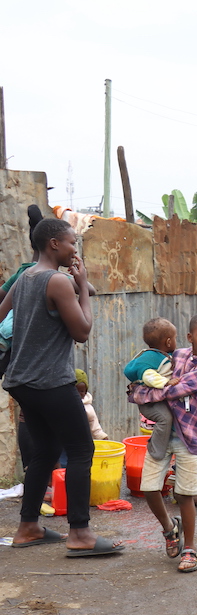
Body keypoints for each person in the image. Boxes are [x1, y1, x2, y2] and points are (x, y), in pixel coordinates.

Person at [0, 218, 122, 556]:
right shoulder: (58, 281)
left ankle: (28, 527)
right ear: (54, 244)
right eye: (71, 243)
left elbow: (1, 314)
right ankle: (80, 534)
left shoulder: (25, 277)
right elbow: (82, 331)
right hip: (51, 381)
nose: (74, 249)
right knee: (82, 451)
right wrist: (82, 285)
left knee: (46, 452)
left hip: (21, 381)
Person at [130, 312, 197, 572]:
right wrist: (142, 387)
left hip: (190, 436)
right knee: (148, 487)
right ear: (189, 337)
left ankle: (190, 548)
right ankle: (169, 529)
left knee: (185, 494)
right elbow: (142, 377)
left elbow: (173, 390)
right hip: (163, 434)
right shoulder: (178, 356)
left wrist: (141, 392)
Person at [124, 317, 178, 461]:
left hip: (155, 400)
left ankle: (160, 444)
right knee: (165, 419)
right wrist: (167, 382)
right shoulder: (151, 358)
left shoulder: (161, 355)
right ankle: (156, 451)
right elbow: (148, 375)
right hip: (149, 403)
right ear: (168, 342)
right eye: (174, 338)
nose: (175, 341)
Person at [75, 370, 107, 440]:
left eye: (82, 391)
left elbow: (95, 426)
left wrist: (102, 437)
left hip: (81, 441)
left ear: (86, 391)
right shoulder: (63, 405)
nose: (78, 394)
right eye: (75, 390)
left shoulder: (88, 408)